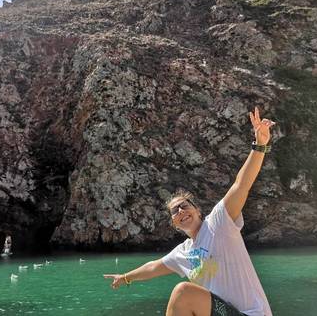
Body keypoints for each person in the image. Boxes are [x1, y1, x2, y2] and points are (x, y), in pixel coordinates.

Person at [104, 107, 274, 316]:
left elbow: (241, 185)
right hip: (221, 313)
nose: (181, 211)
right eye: (175, 211)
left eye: (185, 205)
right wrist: (125, 277)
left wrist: (259, 147)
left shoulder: (218, 223)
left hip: (249, 314)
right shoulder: (183, 253)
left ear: (197, 211)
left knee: (183, 292)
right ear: (174, 223)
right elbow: (153, 267)